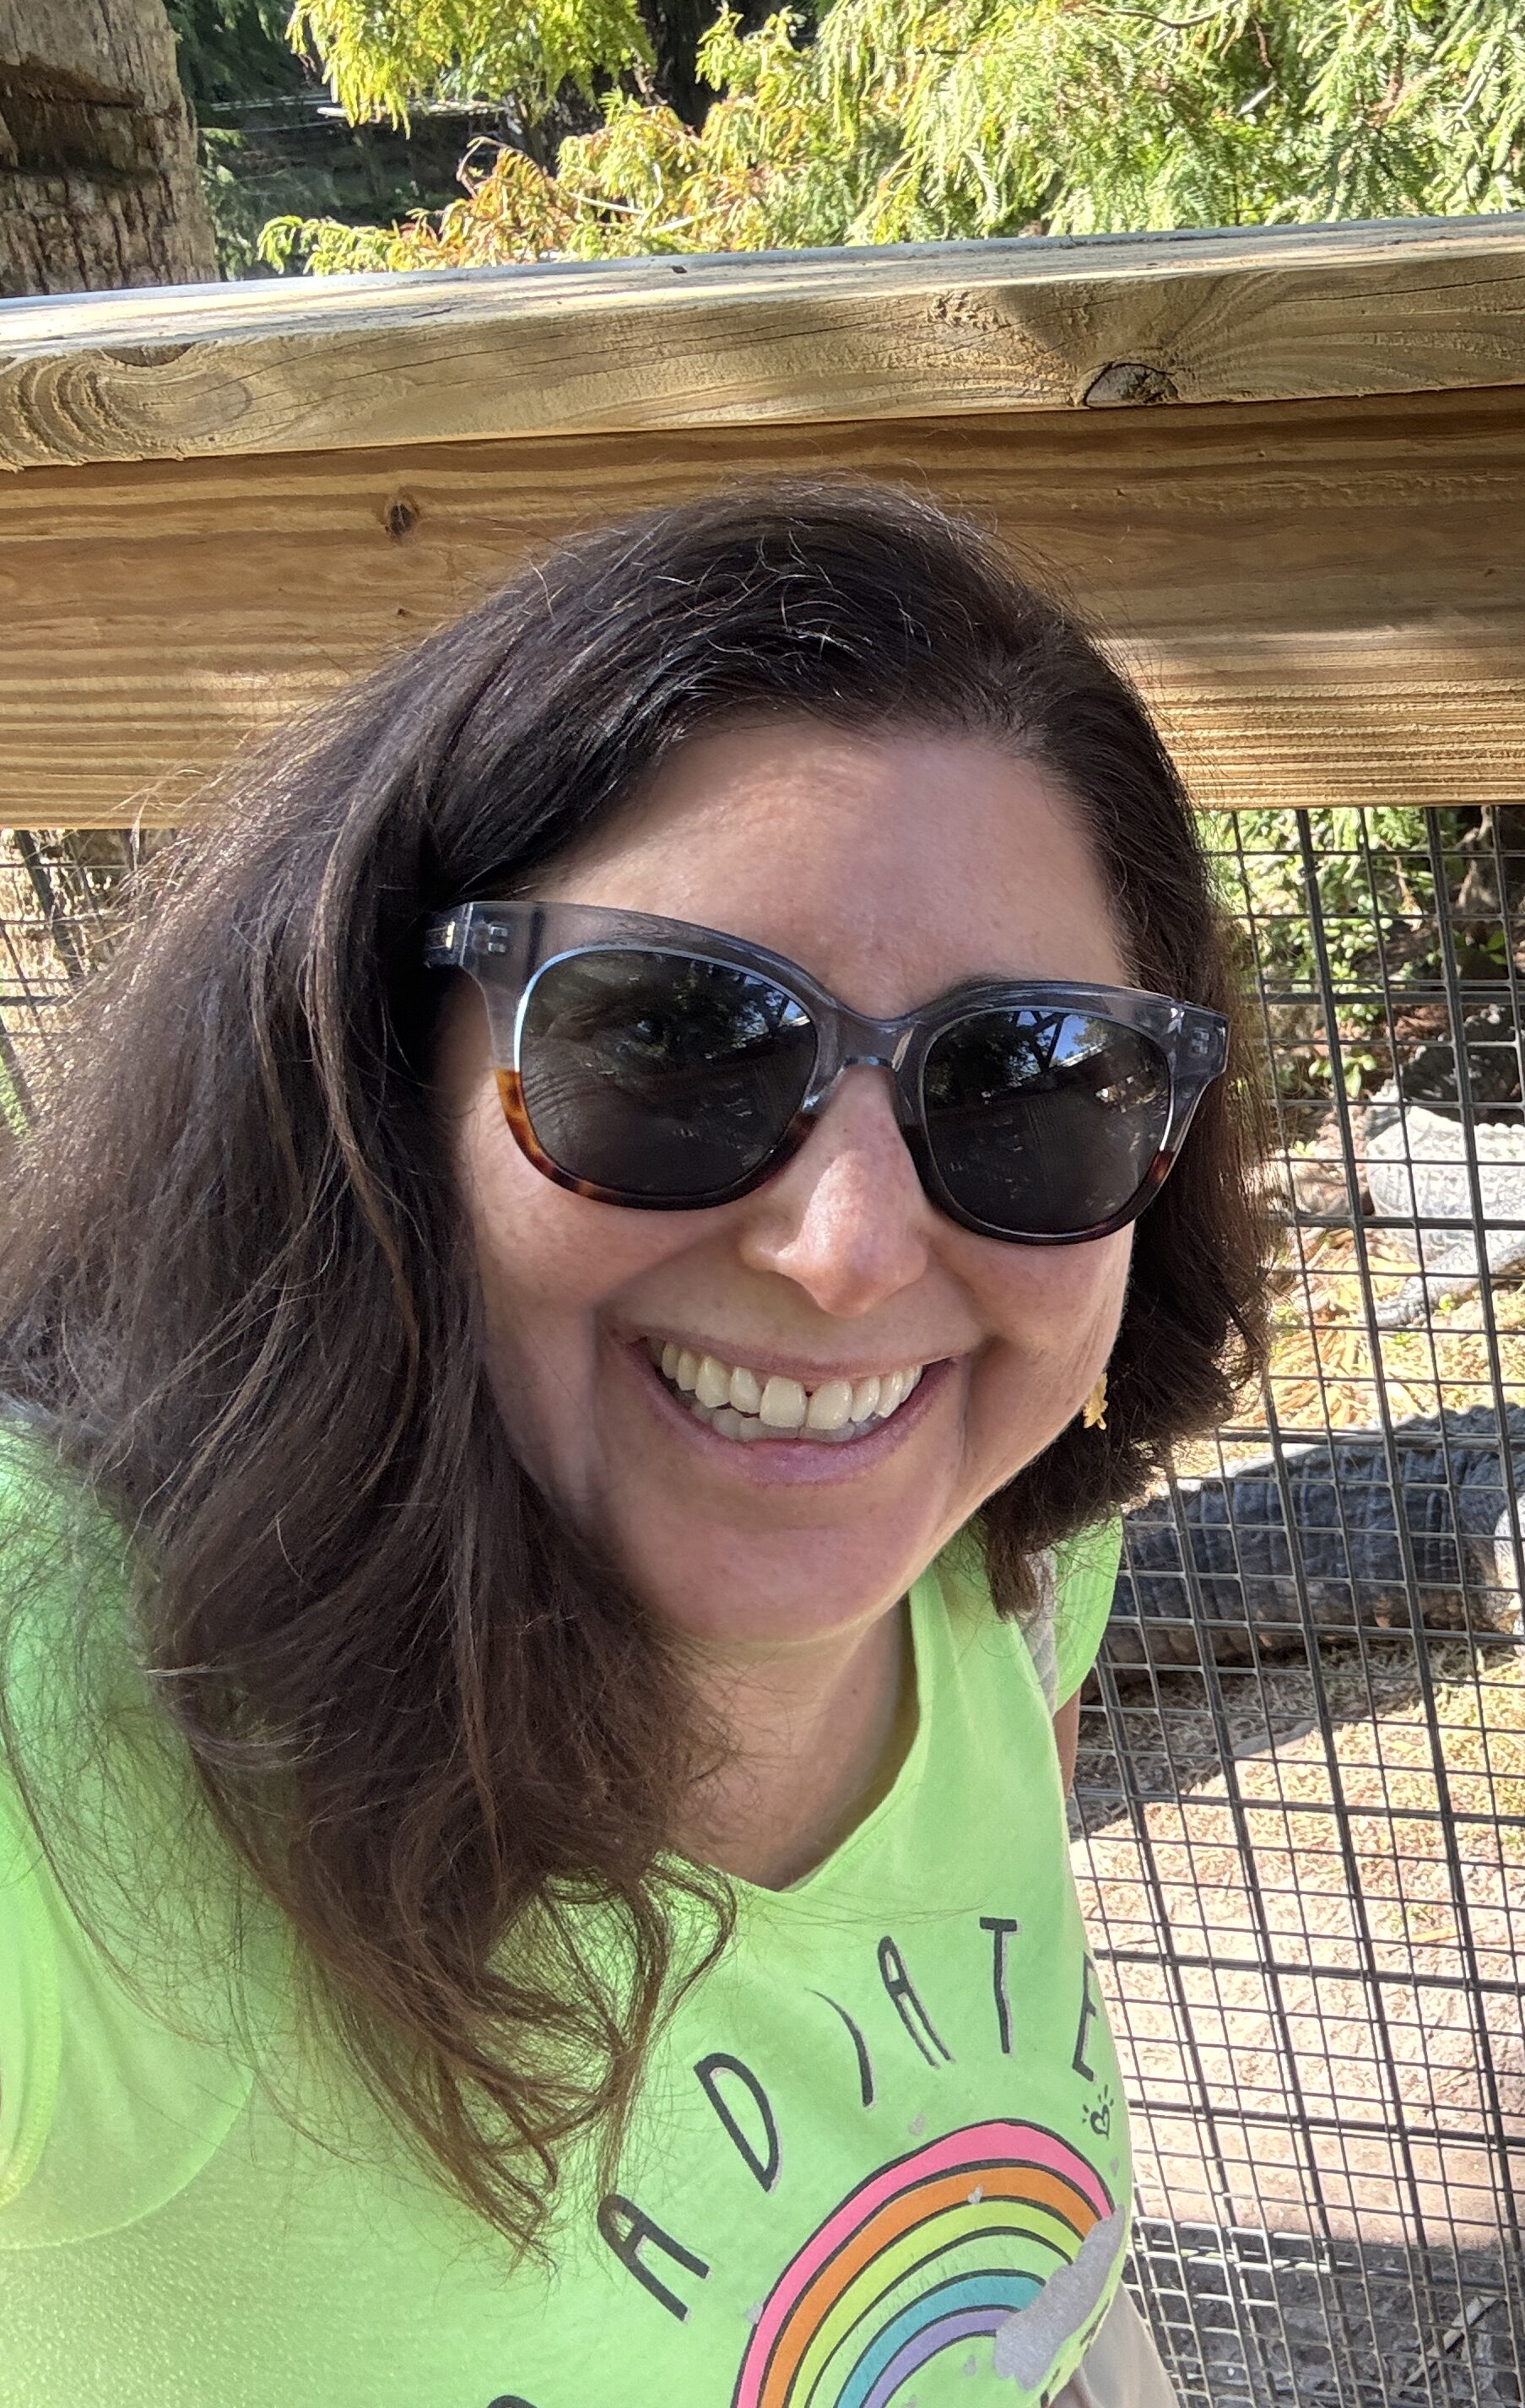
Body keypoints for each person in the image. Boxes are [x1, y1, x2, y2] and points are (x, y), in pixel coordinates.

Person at [0, 485, 1262, 2405]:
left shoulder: (995, 1563)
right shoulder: (59, 1741)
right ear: (379, 1068)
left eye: (1029, 1083)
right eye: (675, 1041)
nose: (847, 1254)